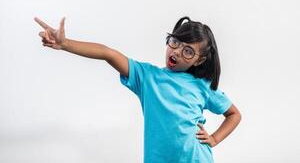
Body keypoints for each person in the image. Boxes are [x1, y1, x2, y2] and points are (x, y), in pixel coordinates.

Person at [35, 16, 241, 163]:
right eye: (175, 42)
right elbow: (109, 54)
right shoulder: (148, 77)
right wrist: (65, 44)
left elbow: (233, 114)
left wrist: (214, 138)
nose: (177, 51)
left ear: (200, 59)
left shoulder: (202, 86)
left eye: (188, 51)